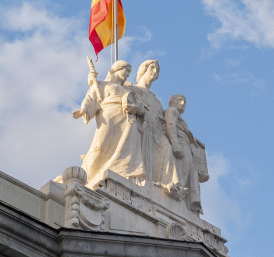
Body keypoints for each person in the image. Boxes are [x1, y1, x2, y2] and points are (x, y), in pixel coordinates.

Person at [73, 60, 145, 186]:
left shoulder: (127, 89)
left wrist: (136, 108)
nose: (128, 74)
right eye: (126, 70)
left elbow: (140, 107)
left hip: (127, 119)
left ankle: (123, 173)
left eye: (129, 72)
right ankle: (86, 177)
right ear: (117, 69)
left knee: (127, 148)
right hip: (108, 115)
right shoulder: (101, 84)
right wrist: (83, 109)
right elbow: (91, 97)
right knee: (100, 146)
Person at [129, 60, 175, 192]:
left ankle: (163, 184)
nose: (155, 72)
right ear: (143, 70)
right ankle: (138, 179)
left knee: (167, 148)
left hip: (155, 132)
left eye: (157, 71)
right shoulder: (133, 89)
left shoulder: (156, 101)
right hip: (139, 128)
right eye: (152, 68)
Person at [164, 95, 206, 213]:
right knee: (183, 170)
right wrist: (175, 143)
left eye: (184, 101)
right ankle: (178, 194)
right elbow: (170, 125)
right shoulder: (171, 111)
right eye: (179, 100)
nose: (183, 103)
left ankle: (184, 198)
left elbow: (184, 131)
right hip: (180, 144)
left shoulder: (181, 119)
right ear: (171, 102)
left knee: (189, 172)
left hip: (186, 145)